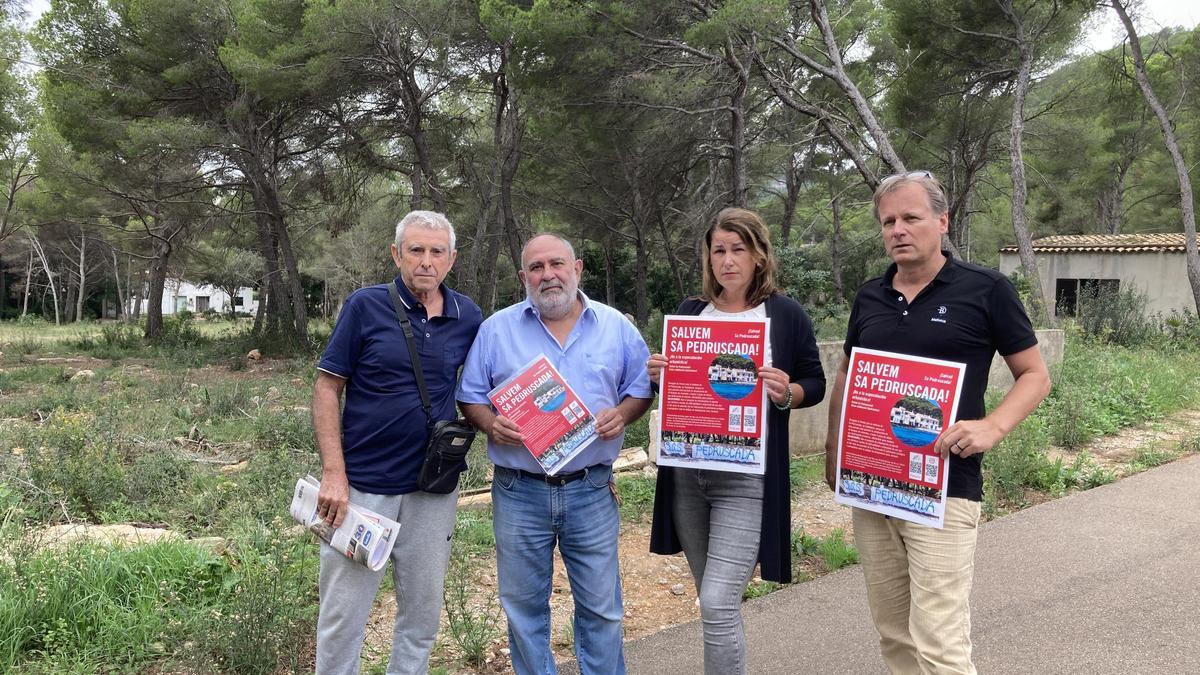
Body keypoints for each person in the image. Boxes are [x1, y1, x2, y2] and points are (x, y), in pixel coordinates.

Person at [824, 172, 1051, 674]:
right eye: (888, 221)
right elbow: (847, 371)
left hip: (946, 489)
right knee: (894, 634)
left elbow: (1035, 376)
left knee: (940, 641)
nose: (898, 230)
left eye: (910, 217)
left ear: (942, 221)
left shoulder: (986, 288)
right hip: (873, 487)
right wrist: (833, 450)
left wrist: (992, 427)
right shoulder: (870, 296)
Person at [457, 233, 653, 675]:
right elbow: (469, 397)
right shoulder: (496, 329)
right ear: (524, 277)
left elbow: (641, 390)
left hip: (592, 489)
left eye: (557, 264)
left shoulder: (616, 327)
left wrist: (622, 415)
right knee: (525, 611)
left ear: (577, 268)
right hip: (519, 491)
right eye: (538, 267)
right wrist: (491, 424)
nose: (548, 275)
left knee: (602, 609)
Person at [646, 207, 826, 675]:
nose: (727, 260)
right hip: (688, 476)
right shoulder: (690, 312)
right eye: (718, 250)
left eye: (738, 250)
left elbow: (815, 382)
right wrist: (659, 376)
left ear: (759, 256)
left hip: (746, 480)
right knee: (715, 607)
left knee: (717, 601)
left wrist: (788, 392)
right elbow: (676, 390)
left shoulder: (784, 314)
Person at [311, 211, 483, 675]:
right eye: (416, 250)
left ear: (451, 259)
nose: (426, 262)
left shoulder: (468, 315)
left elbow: (485, 386)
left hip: (433, 489)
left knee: (422, 616)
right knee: (343, 617)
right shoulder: (365, 306)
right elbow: (328, 388)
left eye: (436, 252)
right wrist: (334, 474)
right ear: (396, 254)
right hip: (363, 490)